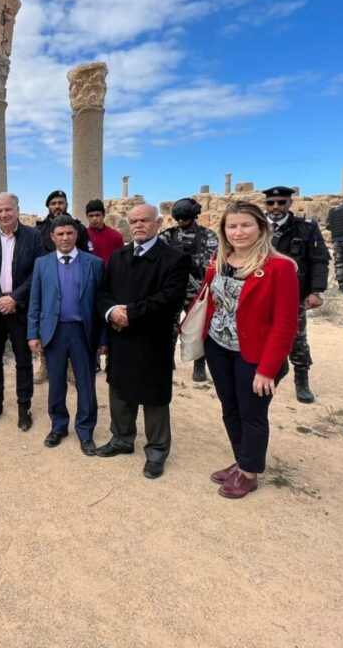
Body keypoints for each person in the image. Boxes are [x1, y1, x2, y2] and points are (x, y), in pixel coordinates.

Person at [199, 202, 299, 498]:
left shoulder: (279, 267)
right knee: (230, 408)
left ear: (261, 228)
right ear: (224, 231)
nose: (238, 232)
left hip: (254, 353)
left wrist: (268, 369)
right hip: (218, 347)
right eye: (232, 226)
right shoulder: (219, 260)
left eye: (246, 225)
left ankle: (249, 473)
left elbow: (285, 322)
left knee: (252, 413)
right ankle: (242, 460)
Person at [95, 203, 191, 479]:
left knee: (154, 396)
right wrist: (112, 312)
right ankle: (122, 439)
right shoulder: (118, 256)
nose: (138, 225)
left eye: (144, 220)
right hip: (121, 336)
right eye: (134, 220)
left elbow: (170, 299)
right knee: (119, 388)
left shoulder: (174, 258)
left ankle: (157, 451)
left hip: (152, 339)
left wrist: (130, 314)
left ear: (158, 223)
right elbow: (103, 293)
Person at [27, 216, 104, 455]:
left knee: (85, 384)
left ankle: (85, 431)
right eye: (60, 234)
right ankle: (58, 426)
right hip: (54, 332)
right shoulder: (42, 264)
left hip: (83, 332)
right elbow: (35, 301)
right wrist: (33, 334)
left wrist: (103, 339)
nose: (65, 238)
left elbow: (101, 303)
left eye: (69, 233)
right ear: (52, 237)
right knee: (56, 383)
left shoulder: (94, 263)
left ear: (76, 235)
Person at [0, 192, 43, 430]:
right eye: (0, 211)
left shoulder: (33, 236)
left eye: (8, 209)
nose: (4, 214)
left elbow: (37, 271)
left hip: (20, 309)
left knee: (23, 360)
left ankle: (24, 408)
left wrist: (14, 298)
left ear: (17, 210)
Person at [262, 185, 330, 403]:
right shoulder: (256, 225)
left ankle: (302, 380)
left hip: (293, 294)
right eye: (271, 203)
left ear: (290, 203)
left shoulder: (305, 228)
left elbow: (319, 260)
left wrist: (316, 291)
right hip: (261, 292)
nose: (276, 206)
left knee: (296, 337)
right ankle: (264, 373)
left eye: (281, 202)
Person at [161, 197, 219, 382]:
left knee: (198, 328)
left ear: (194, 215)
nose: (180, 221)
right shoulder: (168, 235)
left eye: (184, 218)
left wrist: (180, 260)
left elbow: (211, 259)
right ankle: (167, 360)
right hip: (172, 288)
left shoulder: (207, 235)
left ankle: (199, 365)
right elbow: (160, 257)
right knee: (167, 326)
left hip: (197, 289)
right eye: (178, 218)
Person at [36, 189, 91, 254]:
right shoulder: (38, 231)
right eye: (53, 204)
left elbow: (87, 254)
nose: (57, 206)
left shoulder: (79, 228)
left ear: (66, 205)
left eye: (60, 203)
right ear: (48, 207)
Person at [85, 199, 124, 266]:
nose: (94, 218)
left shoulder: (116, 236)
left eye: (97, 215)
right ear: (87, 217)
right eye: (91, 216)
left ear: (103, 215)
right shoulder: (83, 236)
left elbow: (122, 260)